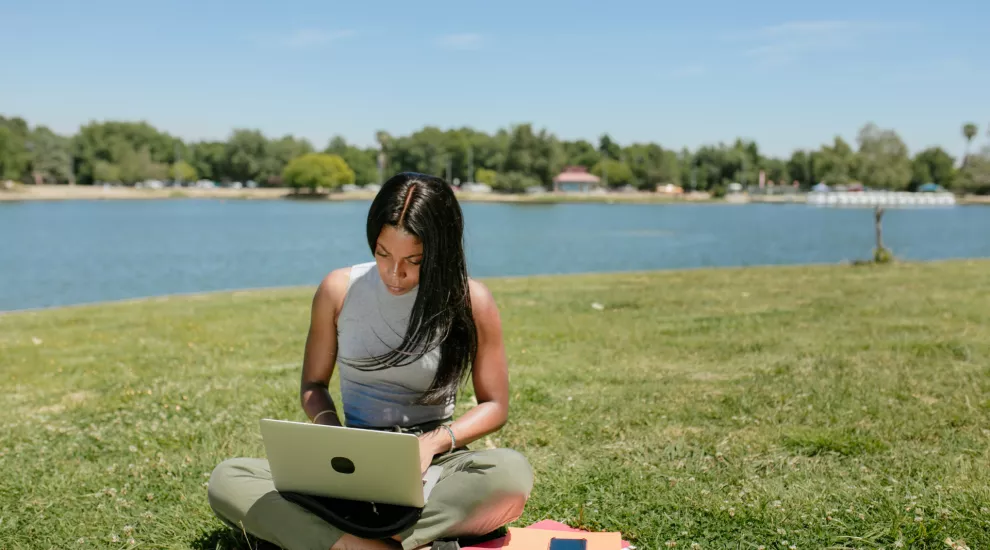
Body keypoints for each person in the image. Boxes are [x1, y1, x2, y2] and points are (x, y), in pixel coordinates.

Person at [207, 173, 534, 550]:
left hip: (435, 464)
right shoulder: (339, 290)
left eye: (414, 260)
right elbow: (313, 386)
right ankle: (370, 545)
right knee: (228, 478)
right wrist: (332, 431)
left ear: (441, 251)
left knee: (509, 475)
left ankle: (337, 539)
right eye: (383, 254)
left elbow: (495, 405)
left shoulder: (471, 301)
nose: (395, 274)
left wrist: (431, 444)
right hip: (350, 459)